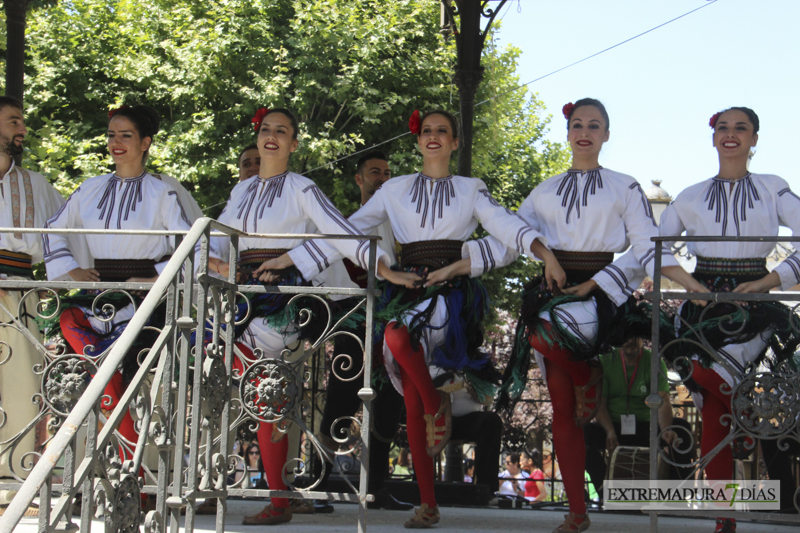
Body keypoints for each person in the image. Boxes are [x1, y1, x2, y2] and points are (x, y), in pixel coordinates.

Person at [259, 109, 560, 528]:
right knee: (411, 402)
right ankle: (429, 504)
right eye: (427, 131)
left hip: (450, 293)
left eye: (443, 131)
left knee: (399, 337)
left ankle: (437, 402)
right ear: (418, 141)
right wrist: (291, 258)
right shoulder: (394, 190)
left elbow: (506, 229)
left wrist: (532, 256)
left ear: (454, 143)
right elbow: (347, 233)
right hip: (406, 289)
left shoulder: (472, 189)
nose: (433, 137)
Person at [500, 98, 707, 533]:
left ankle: (585, 377)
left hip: (599, 292)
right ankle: (578, 512)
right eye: (578, 124)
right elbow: (513, 230)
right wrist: (543, 256)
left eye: (595, 125)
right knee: (560, 407)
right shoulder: (546, 188)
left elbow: (647, 244)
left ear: (606, 135)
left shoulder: (623, 186)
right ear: (568, 131)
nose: (585, 132)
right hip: (553, 287)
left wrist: (688, 284)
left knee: (552, 335)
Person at [206, 107, 379, 526]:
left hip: (288, 302)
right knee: (258, 390)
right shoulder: (242, 192)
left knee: (265, 390)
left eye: (281, 131)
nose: (271, 136)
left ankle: (280, 500)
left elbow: (343, 235)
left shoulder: (302, 187)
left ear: (294, 143)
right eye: (266, 129)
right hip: (245, 297)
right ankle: (278, 497)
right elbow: (213, 237)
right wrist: (219, 265)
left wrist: (288, 259)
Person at [659, 106, 800, 533]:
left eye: (741, 128)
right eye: (723, 127)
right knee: (716, 402)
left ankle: (725, 513)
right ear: (714, 137)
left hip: (752, 305)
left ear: (755, 139)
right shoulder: (689, 195)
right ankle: (726, 504)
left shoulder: (774, 189)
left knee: (716, 397)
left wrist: (769, 281)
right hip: (700, 306)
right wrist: (692, 286)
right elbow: (657, 249)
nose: (731, 134)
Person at [42, 104, 198, 467]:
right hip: (98, 292)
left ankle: (134, 468)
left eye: (126, 135)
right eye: (111, 135)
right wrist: (72, 270)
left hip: (144, 299)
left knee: (137, 383)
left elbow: (191, 244)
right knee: (71, 324)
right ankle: (126, 463)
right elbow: (52, 230)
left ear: (145, 143)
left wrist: (154, 276)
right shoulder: (90, 188)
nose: (116, 142)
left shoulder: (162, 193)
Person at [315, 151, 412, 512]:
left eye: (388, 172)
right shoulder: (348, 222)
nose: (382, 178)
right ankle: (318, 483)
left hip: (391, 323)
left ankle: (376, 488)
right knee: (340, 400)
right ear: (359, 179)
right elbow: (335, 274)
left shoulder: (401, 223)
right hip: (356, 321)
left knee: (389, 402)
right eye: (374, 172)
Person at [0, 96, 65, 518]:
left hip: (19, 292)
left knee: (23, 389)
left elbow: (67, 233)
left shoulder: (37, 184)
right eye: (13, 121)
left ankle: (10, 487)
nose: (22, 128)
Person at [583, 337, 695, 498]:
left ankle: (675, 494)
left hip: (645, 427)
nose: (631, 341)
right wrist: (609, 431)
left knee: (681, 429)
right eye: (627, 336)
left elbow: (663, 401)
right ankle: (604, 489)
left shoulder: (653, 362)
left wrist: (666, 430)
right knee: (583, 434)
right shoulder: (606, 361)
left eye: (636, 336)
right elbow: (599, 403)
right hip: (613, 428)